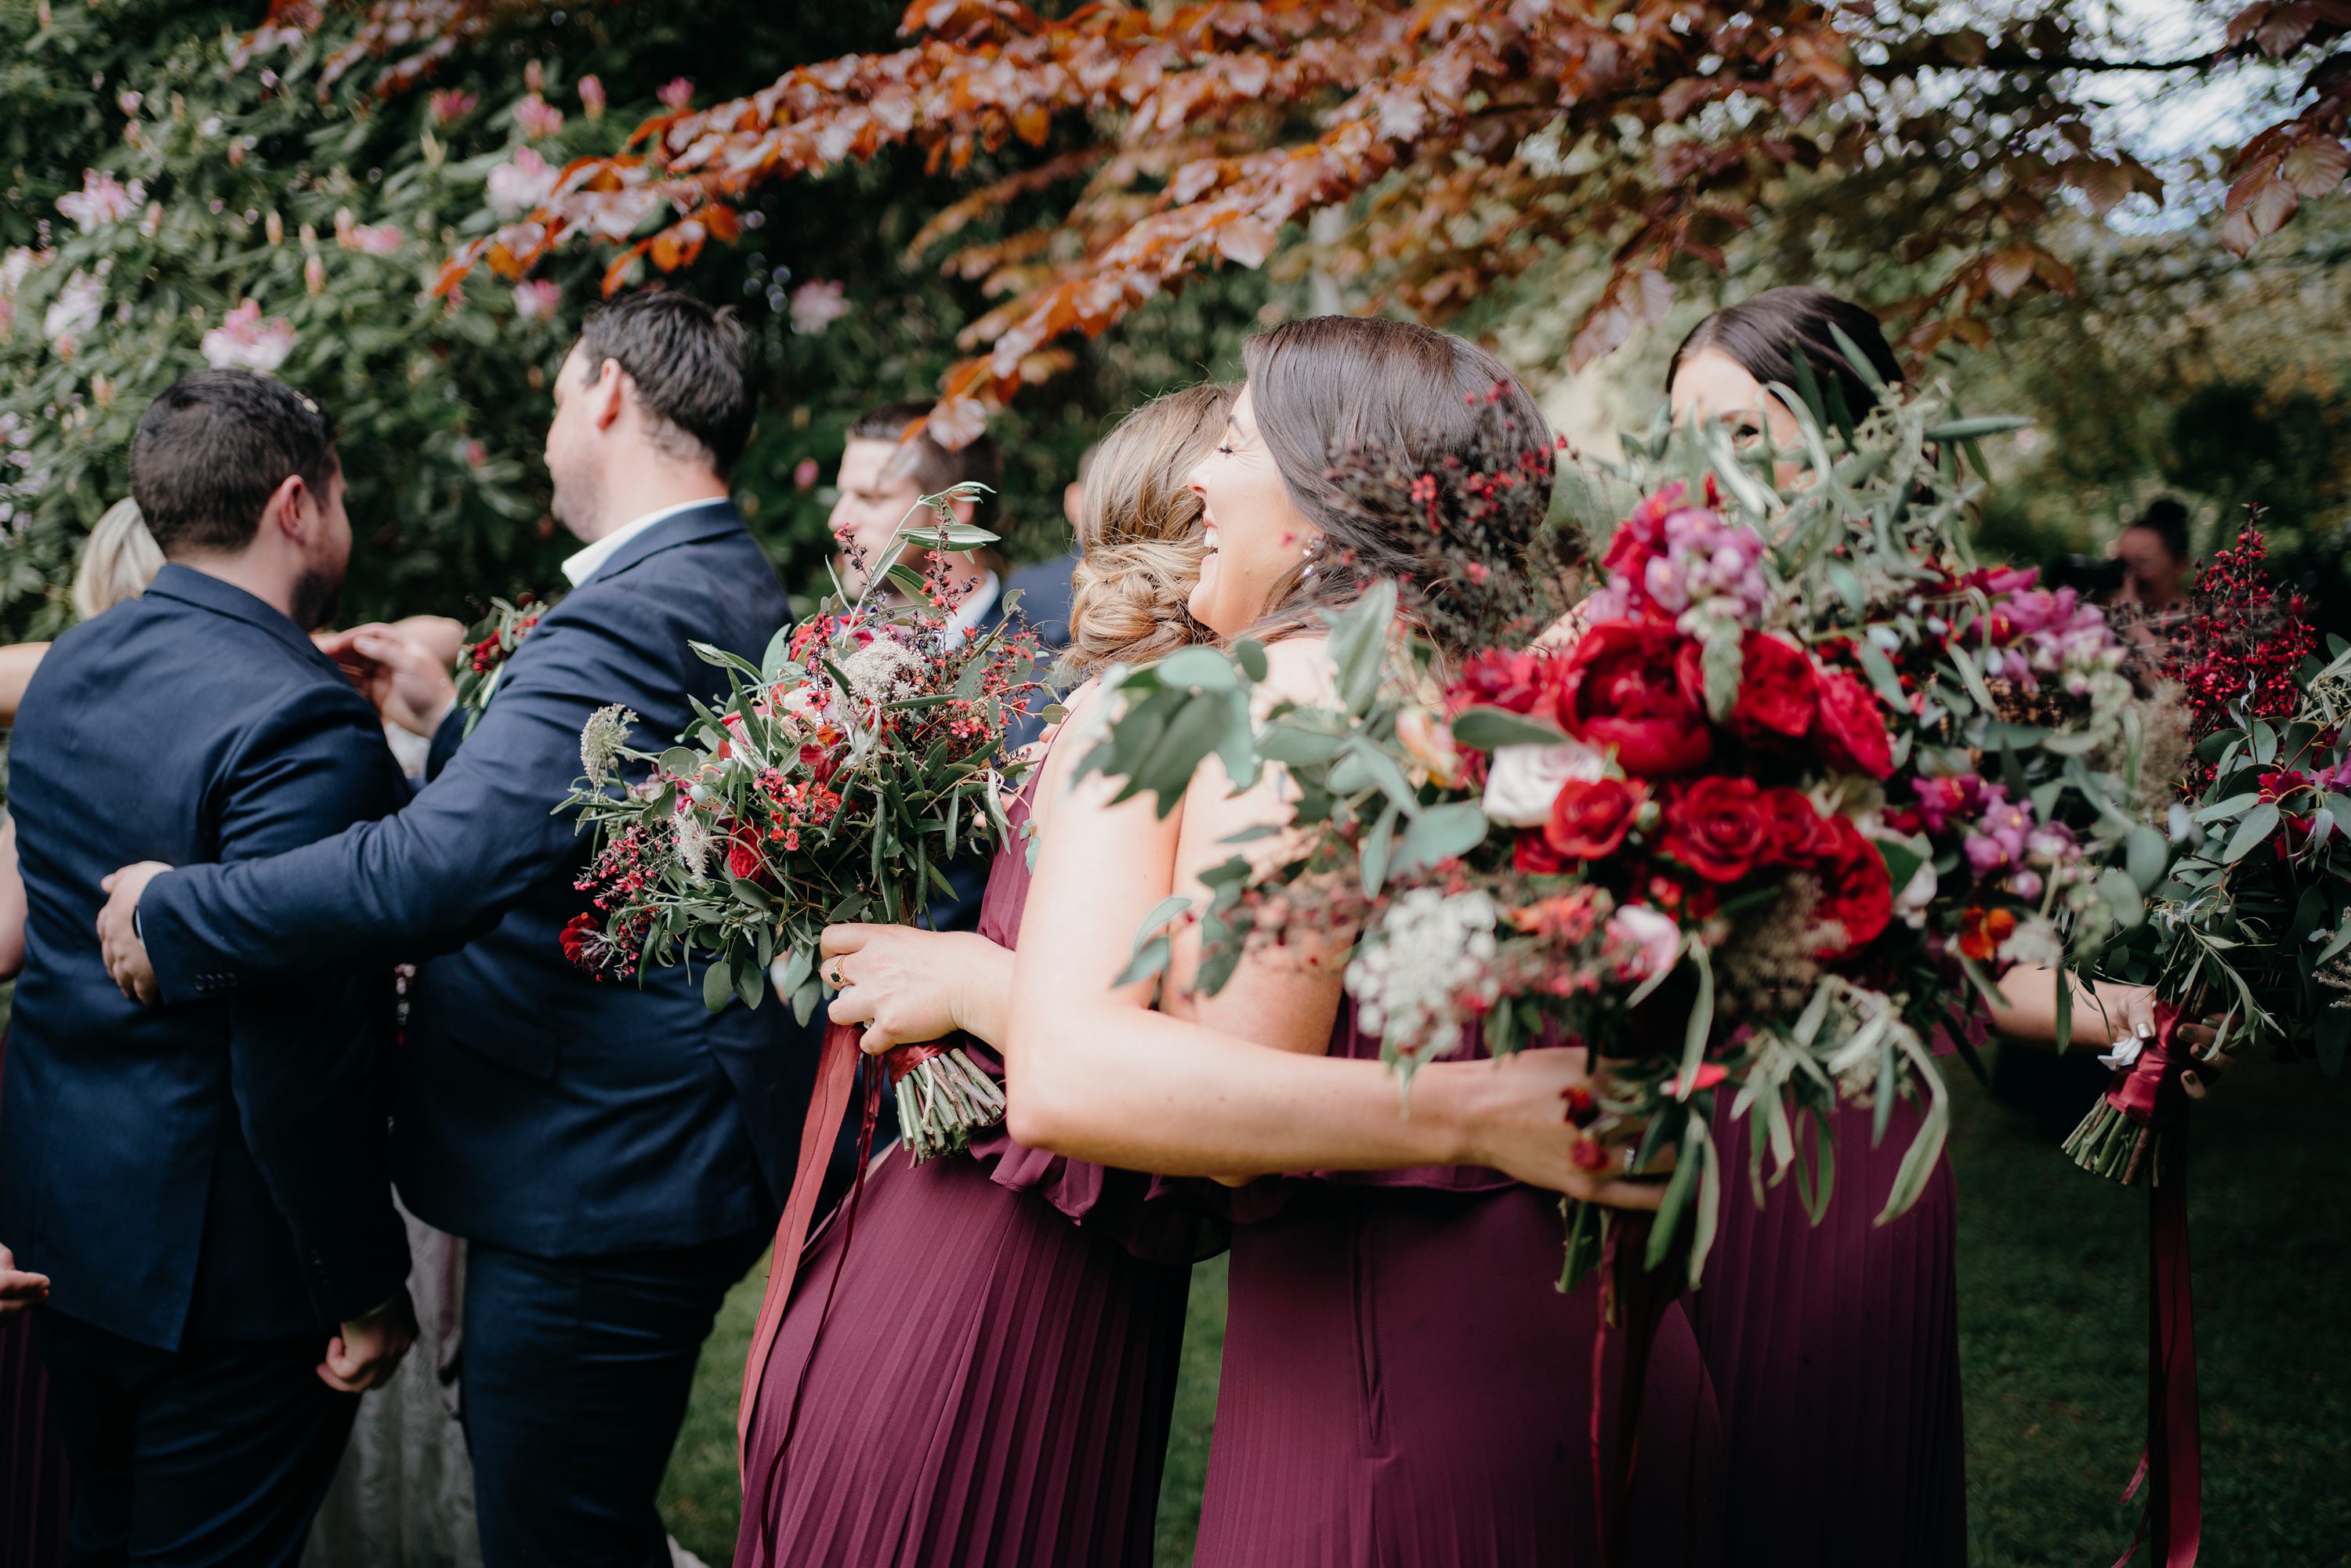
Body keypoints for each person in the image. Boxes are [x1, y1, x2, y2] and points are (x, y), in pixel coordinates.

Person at [984, 318, 1720, 1566]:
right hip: (1617, 1361)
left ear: (1336, 497)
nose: (1199, 480)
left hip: (1397, 1409)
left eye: (1232, 442)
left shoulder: (1268, 696)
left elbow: (1073, 1082)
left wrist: (1473, 1112)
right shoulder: (1524, 706)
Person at [93, 293, 808, 1568]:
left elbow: (441, 868)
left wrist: (177, 904)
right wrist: (451, 719)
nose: (544, 436)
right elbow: (570, 826)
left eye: (550, 401)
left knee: (557, 1537)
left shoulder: (638, 610)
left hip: (601, 1176)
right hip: (621, 1151)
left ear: (603, 394)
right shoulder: (699, 579)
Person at [736, 383, 1234, 1568]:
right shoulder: (1144, 723)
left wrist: (965, 980)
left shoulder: (1159, 716)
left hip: (1019, 1198)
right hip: (1010, 1223)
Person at [0, 370, 418, 1566]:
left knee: (103, 1531)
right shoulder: (301, 720)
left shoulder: (69, 668)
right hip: (224, 1274)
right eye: (338, 492)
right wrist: (364, 1286)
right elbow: (301, 1052)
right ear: (298, 503)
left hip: (63, 1223)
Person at [1667, 286, 1965, 1566]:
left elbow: (1970, 915)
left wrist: (2128, 1016)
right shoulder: (1645, 628)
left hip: (1849, 1114)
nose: (1705, 473)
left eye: (1743, 429)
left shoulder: (1940, 639)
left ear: (1844, 429)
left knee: (1824, 1482)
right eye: (1682, 437)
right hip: (1670, 1105)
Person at [2114, 495, 2191, 614]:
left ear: (2181, 564)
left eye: (2142, 562)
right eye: (2122, 562)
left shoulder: (2204, 623)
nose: (2129, 577)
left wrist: (2128, 616)